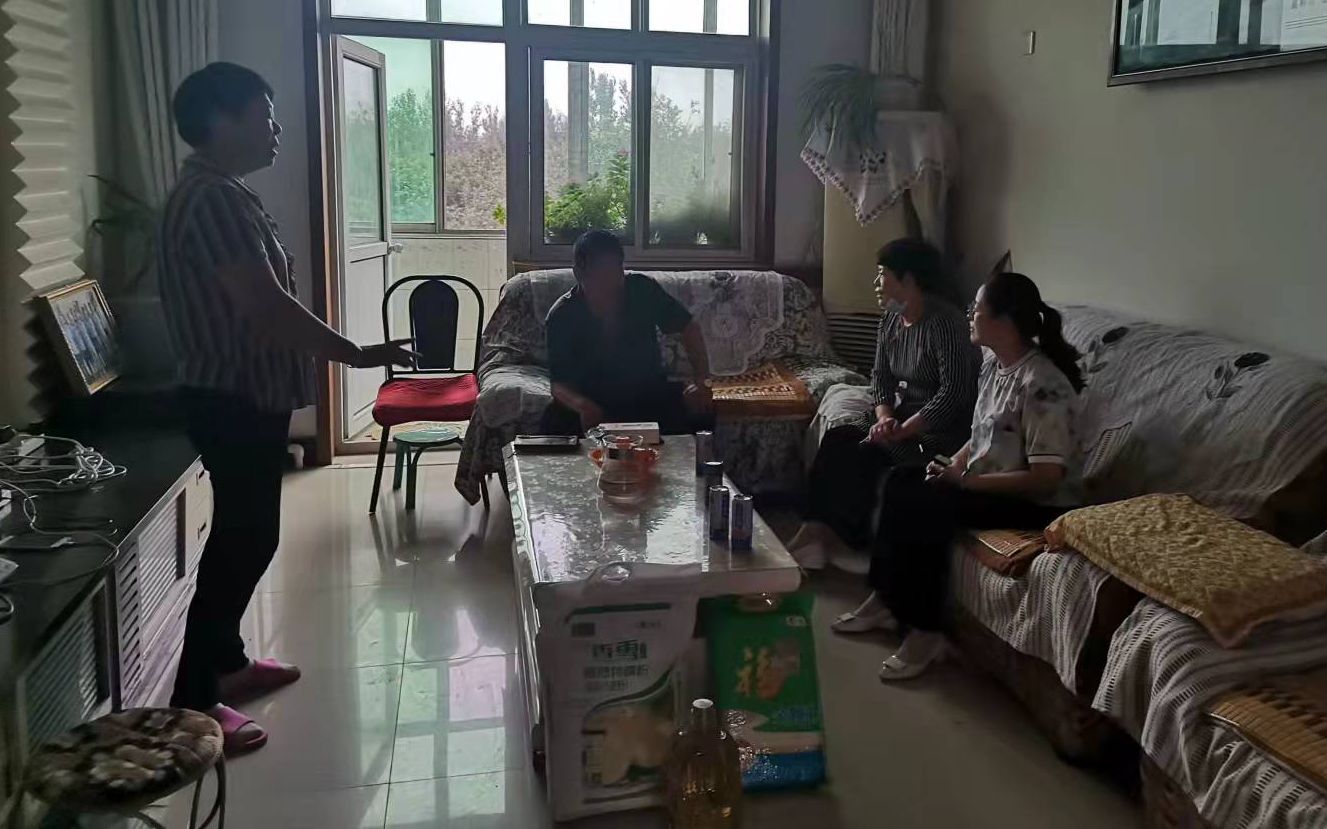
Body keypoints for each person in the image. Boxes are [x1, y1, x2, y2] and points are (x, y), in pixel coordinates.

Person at [159, 62, 414, 755]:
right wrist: (356, 353)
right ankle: (194, 700)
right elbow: (265, 306)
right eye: (264, 115)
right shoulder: (211, 200)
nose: (275, 129)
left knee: (249, 533)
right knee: (242, 540)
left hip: (248, 395)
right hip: (230, 396)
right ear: (221, 118)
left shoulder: (225, 193)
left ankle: (229, 664)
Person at [836, 271, 1085, 682]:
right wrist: (951, 467)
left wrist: (966, 483)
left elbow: (1047, 478)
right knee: (902, 481)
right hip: (985, 482)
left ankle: (925, 631)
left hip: (1034, 502)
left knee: (930, 506)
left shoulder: (1043, 385)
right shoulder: (994, 367)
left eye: (977, 309)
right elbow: (980, 435)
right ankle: (885, 599)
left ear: (1004, 321)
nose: (969, 314)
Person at [790, 238, 980, 570]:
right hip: (897, 421)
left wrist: (904, 430)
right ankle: (814, 531)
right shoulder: (891, 319)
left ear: (908, 280)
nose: (877, 283)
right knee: (838, 439)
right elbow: (880, 377)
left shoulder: (945, 323)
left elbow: (953, 394)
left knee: (865, 457)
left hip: (935, 434)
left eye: (883, 274)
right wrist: (884, 417)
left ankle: (847, 543)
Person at [541, 230, 713, 434]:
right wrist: (583, 405)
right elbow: (559, 384)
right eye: (599, 277)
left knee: (698, 408)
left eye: (614, 273)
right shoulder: (561, 314)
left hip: (646, 391)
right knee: (555, 419)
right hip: (593, 395)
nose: (608, 286)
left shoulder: (642, 289)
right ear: (579, 273)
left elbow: (688, 326)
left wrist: (702, 380)